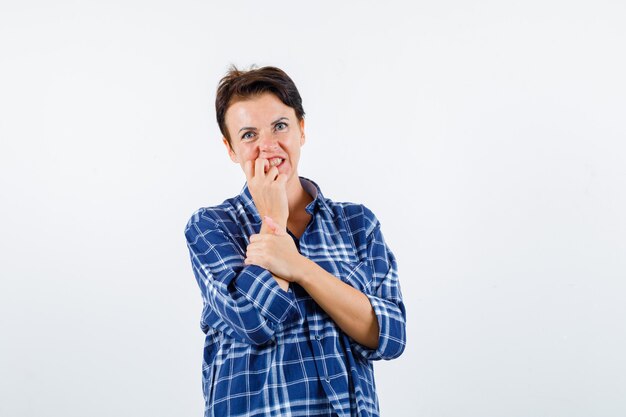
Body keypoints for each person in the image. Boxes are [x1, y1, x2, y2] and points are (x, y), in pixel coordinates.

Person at [184, 65, 406, 417]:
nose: (268, 146)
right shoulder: (211, 226)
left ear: (302, 129)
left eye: (280, 126)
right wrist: (274, 223)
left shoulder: (357, 224)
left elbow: (390, 335)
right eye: (248, 135)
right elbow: (253, 322)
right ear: (230, 148)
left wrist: (297, 267)